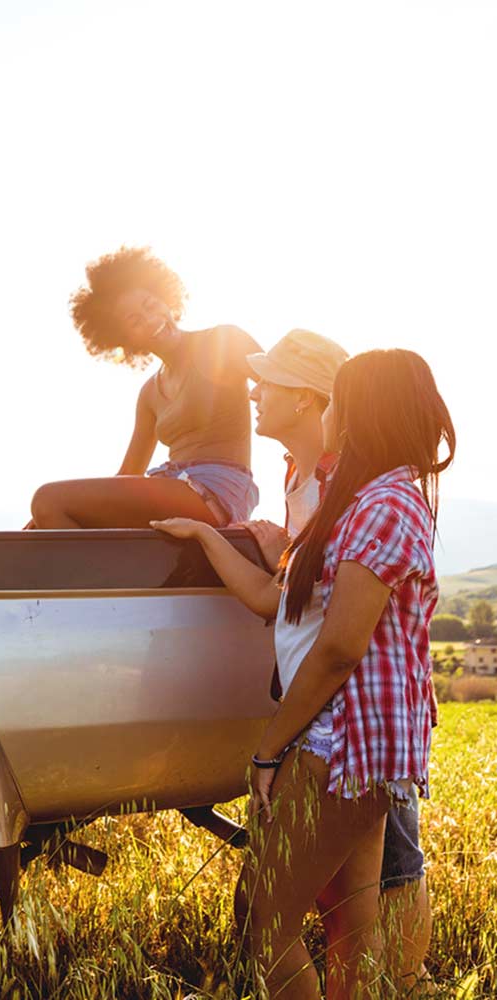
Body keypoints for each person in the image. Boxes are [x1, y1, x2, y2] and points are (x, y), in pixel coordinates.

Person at [161, 348, 453, 998]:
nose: (334, 412)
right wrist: (208, 537)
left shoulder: (384, 503)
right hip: (349, 740)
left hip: (342, 741)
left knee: (263, 924)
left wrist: (269, 750)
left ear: (367, 411)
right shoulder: (361, 497)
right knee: (352, 919)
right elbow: (275, 601)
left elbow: (341, 646)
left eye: (342, 400)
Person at [29, 247, 262, 528]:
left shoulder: (222, 341)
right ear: (126, 340)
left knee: (47, 499)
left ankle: (101, 571)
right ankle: (105, 571)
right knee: (48, 507)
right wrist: (54, 513)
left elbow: (284, 384)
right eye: (135, 321)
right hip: (169, 487)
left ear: (165, 298)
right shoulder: (150, 392)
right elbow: (129, 473)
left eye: (150, 305)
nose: (151, 320)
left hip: (219, 490)